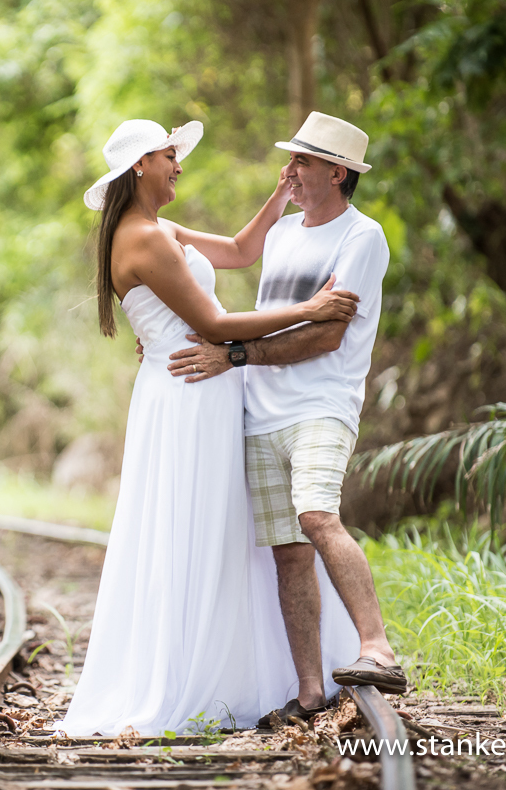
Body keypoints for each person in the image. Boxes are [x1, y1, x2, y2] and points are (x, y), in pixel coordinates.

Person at [57, 118, 361, 737]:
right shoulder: (140, 237)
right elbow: (216, 325)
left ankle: (244, 670)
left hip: (211, 389)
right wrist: (310, 310)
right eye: (170, 156)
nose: (178, 165)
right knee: (196, 527)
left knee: (226, 530)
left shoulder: (161, 229)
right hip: (189, 393)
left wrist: (279, 195)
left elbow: (242, 251)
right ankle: (191, 676)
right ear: (140, 164)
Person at [164, 112, 406, 726]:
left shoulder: (362, 236)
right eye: (291, 159)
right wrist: (168, 333)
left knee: (317, 514)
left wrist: (236, 356)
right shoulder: (283, 234)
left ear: (337, 171)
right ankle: (307, 694)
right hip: (260, 413)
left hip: (321, 404)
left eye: (302, 161)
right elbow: (258, 307)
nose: (290, 170)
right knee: (288, 552)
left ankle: (376, 648)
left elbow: (325, 335)